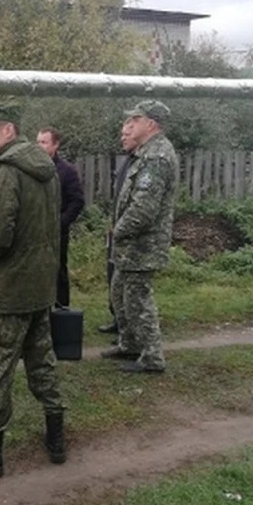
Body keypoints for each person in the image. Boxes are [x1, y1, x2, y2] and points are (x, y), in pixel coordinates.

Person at [0, 100, 66, 478]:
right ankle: (56, 437)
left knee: (2, 367)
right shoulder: (47, 169)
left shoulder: (6, 172)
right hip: (40, 285)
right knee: (42, 359)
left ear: (8, 130)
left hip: (9, 290)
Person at [101, 100, 178, 374]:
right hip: (131, 245)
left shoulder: (156, 157)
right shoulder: (145, 153)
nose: (128, 125)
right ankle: (130, 345)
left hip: (142, 246)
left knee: (138, 300)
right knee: (119, 293)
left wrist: (118, 231)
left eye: (135, 120)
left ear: (151, 124)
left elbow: (144, 209)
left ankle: (152, 358)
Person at [35, 128, 85, 309]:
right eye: (38, 142)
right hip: (33, 229)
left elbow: (77, 202)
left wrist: (61, 223)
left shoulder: (66, 171)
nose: (39, 146)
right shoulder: (30, 167)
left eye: (44, 142)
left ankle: (61, 309)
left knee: (57, 270)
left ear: (55, 145)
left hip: (56, 232)